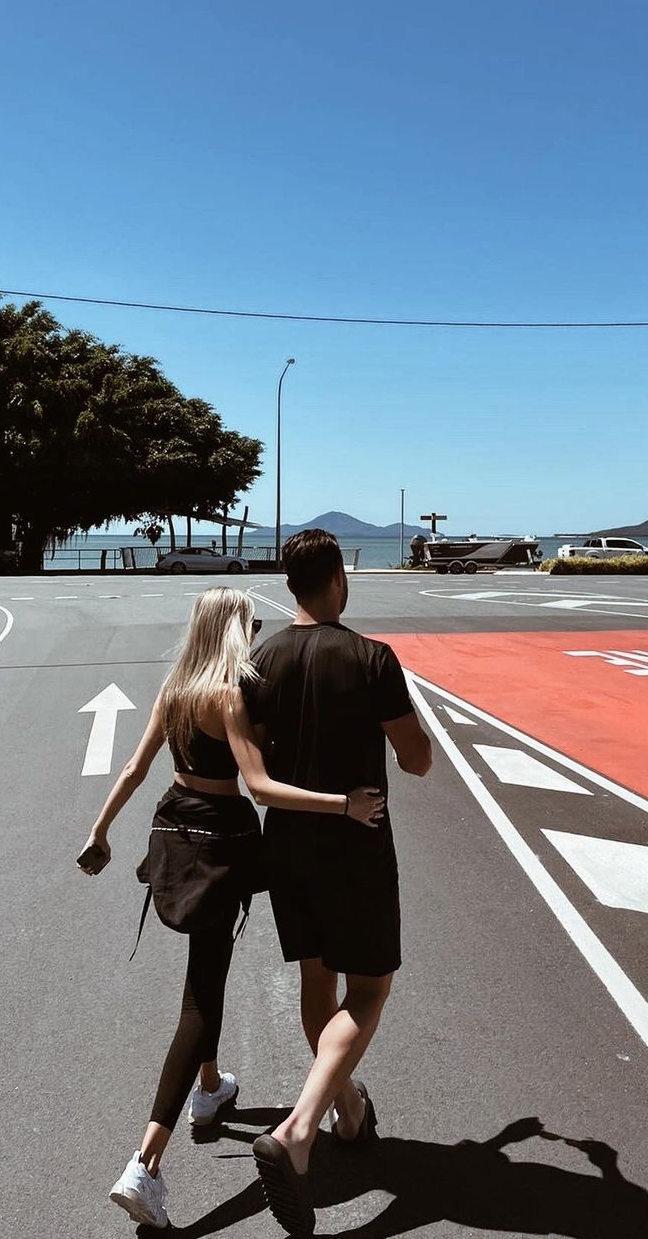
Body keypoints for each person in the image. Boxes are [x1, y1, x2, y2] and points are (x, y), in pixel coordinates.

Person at [78, 587, 385, 1230]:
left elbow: (134, 768)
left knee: (206, 965)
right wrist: (344, 805)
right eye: (251, 625)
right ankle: (145, 1164)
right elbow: (261, 786)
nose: (256, 634)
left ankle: (211, 1087)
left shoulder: (176, 688)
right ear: (233, 631)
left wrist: (100, 831)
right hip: (220, 844)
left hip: (174, 829)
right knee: (201, 996)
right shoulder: (229, 696)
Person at [233, 529, 432, 1235]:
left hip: (289, 844)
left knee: (316, 981)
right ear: (339, 579)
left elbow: (254, 767)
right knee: (369, 988)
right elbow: (416, 759)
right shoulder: (371, 657)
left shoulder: (258, 662)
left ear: (290, 584)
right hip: (357, 843)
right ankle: (299, 1129)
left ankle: (348, 1110)